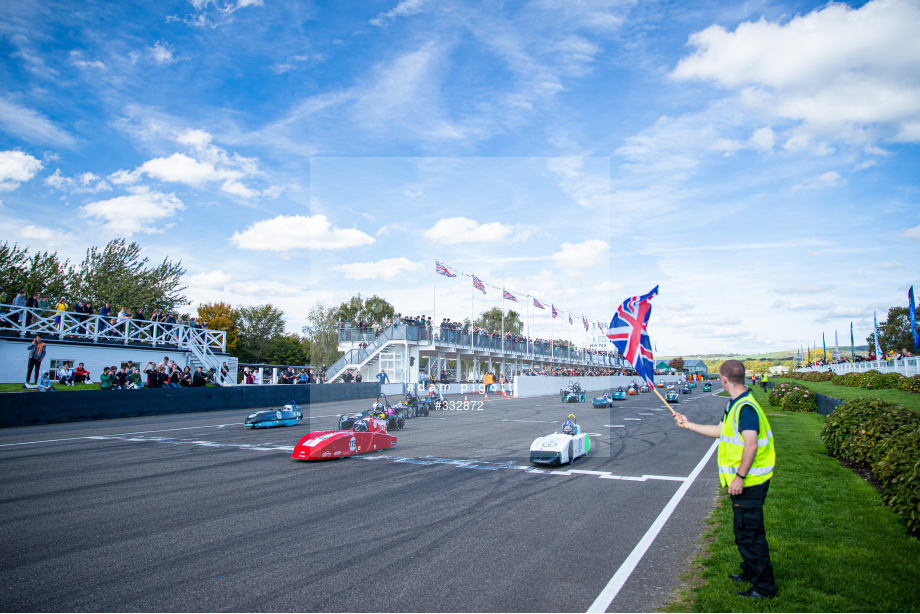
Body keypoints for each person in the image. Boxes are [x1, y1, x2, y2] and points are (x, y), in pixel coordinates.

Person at [672, 359, 777, 599]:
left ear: (724, 379)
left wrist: (739, 477)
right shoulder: (735, 404)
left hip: (749, 482)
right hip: (745, 482)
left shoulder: (745, 408)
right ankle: (751, 572)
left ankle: (764, 588)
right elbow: (720, 431)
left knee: (749, 535)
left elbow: (750, 444)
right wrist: (687, 424)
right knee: (744, 531)